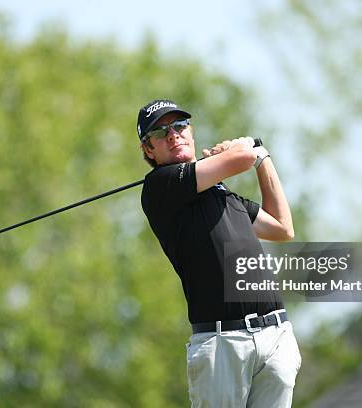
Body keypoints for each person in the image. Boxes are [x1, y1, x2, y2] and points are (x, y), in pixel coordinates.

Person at [137, 99, 301, 408]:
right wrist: (243, 148)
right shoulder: (160, 186)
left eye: (180, 126)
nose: (173, 135)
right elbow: (241, 158)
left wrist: (262, 156)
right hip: (221, 344)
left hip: (275, 335)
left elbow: (282, 227)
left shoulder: (220, 191)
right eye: (160, 132)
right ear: (149, 150)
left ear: (191, 132)